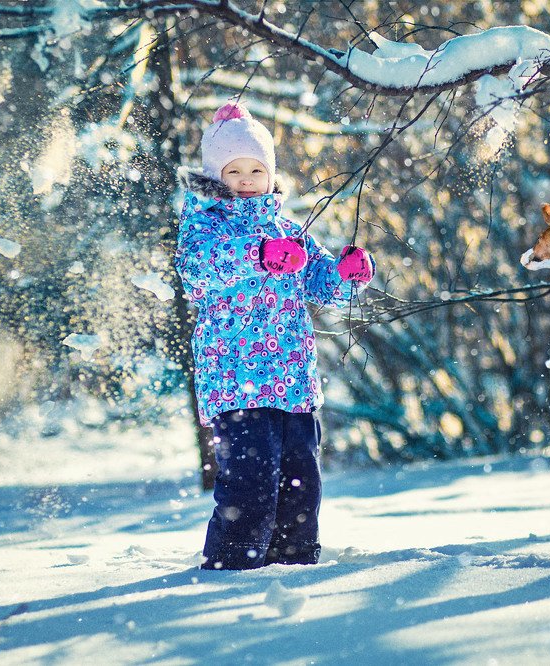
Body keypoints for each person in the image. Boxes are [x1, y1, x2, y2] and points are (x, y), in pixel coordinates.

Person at [175, 102, 375, 570]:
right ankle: (233, 563)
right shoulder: (204, 225)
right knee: (251, 479)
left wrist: (347, 274)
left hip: (291, 381)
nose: (246, 180)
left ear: (270, 175)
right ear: (215, 176)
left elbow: (321, 284)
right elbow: (199, 270)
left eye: (256, 170)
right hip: (235, 380)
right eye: (234, 171)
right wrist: (259, 254)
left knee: (301, 480)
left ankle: (295, 560)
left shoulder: (289, 231)